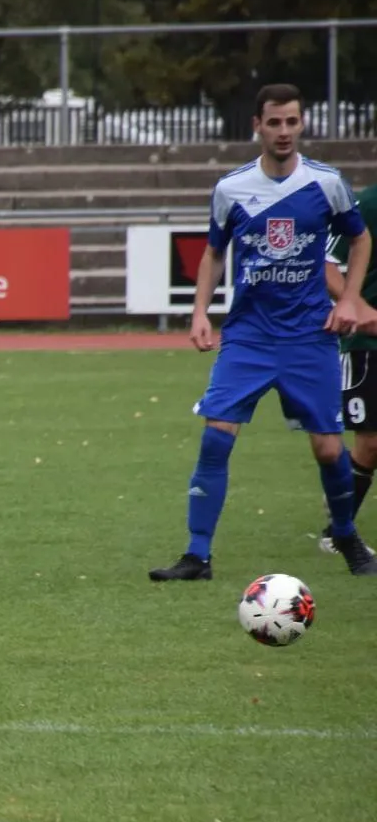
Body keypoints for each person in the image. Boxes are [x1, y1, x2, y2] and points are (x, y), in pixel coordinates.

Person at [151, 83, 375, 581]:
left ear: (302, 124)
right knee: (216, 438)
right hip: (249, 336)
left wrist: (350, 299)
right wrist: (199, 311)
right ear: (257, 126)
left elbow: (360, 240)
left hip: (309, 336)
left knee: (328, 449)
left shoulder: (327, 183)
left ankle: (345, 534)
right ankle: (197, 556)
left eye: (292, 121)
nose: (284, 131)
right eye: (274, 122)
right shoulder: (232, 189)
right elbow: (214, 252)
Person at [313, 180, 377, 555]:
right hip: (368, 343)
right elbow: (325, 263)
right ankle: (338, 530)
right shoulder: (367, 204)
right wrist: (356, 304)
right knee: (371, 444)